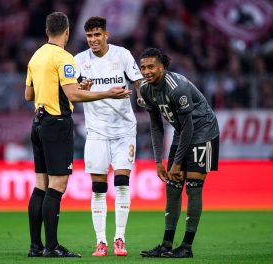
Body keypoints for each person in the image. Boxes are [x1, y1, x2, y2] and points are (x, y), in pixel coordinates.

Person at [24, 12, 131, 258]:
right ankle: (52, 247)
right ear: (68, 31)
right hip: (56, 124)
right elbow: (72, 96)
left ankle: (35, 246)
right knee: (57, 185)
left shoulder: (36, 56)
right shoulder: (65, 58)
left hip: (37, 123)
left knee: (41, 184)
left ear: (46, 31)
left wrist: (72, 89)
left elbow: (29, 95)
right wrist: (108, 94)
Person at [138, 48, 219, 258]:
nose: (146, 71)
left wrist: (176, 163)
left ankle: (186, 246)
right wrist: (158, 161)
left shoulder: (177, 87)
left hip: (203, 132)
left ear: (162, 67)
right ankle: (166, 244)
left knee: (193, 187)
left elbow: (190, 127)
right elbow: (156, 126)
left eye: (151, 67)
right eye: (143, 67)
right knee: (173, 188)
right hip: (182, 133)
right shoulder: (146, 89)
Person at [74, 16, 143, 257]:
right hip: (96, 132)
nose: (93, 40)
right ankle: (101, 241)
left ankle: (120, 239)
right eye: (89, 36)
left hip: (124, 130)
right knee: (98, 188)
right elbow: (73, 93)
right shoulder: (79, 61)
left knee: (122, 183)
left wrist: (142, 95)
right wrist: (82, 89)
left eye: (97, 35)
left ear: (106, 35)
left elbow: (138, 81)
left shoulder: (122, 55)